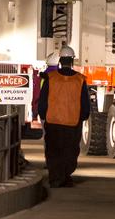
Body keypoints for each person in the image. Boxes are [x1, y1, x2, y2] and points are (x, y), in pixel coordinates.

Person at [35, 45, 89, 188]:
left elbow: (43, 99)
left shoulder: (51, 78)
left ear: (60, 60)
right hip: (72, 123)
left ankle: (55, 178)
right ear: (72, 61)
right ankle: (65, 177)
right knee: (70, 151)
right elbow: (85, 102)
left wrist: (42, 115)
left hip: (53, 121)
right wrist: (83, 116)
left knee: (53, 151)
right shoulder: (80, 79)